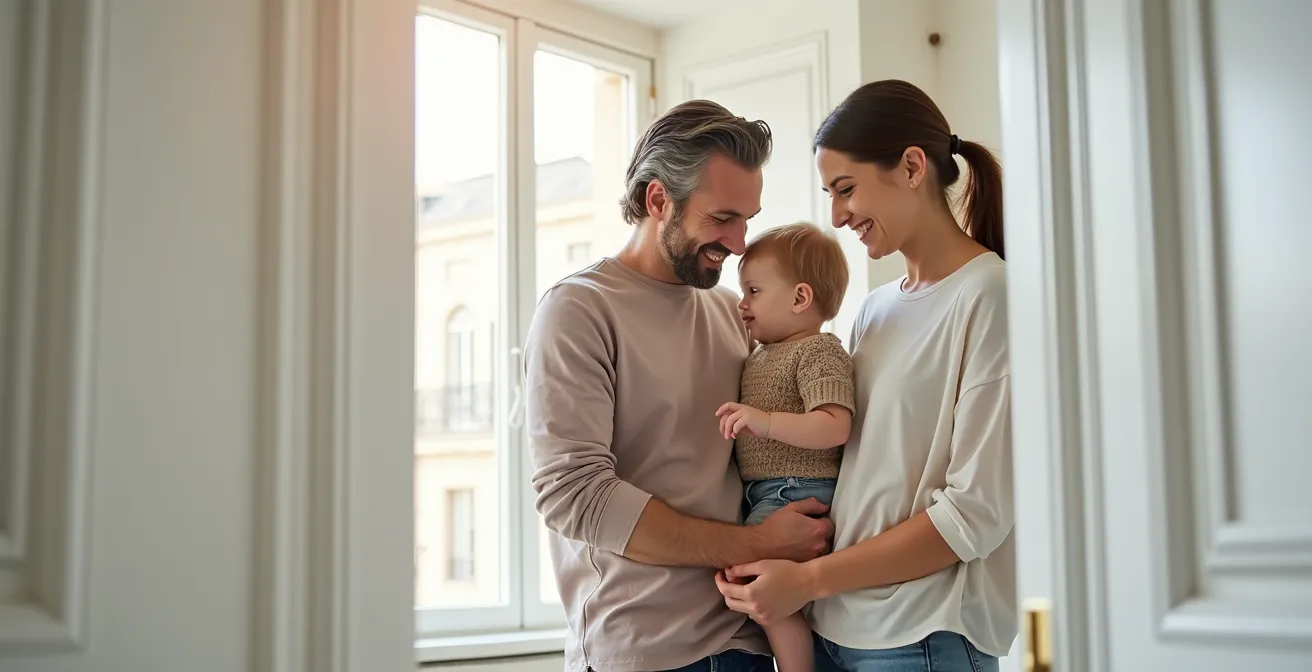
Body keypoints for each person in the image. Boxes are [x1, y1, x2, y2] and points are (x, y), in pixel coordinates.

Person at [714, 79, 1016, 672]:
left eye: (846, 189)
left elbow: (975, 514)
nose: (836, 214)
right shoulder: (876, 309)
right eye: (829, 193)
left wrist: (809, 580)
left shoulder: (989, 294)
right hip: (837, 627)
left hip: (923, 635)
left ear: (911, 167)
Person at [525, 100, 834, 672]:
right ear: (658, 199)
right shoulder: (579, 310)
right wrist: (761, 544)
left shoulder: (734, 316)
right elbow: (576, 496)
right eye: (722, 218)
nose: (741, 242)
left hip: (746, 643)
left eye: (748, 218)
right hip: (642, 652)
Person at [713, 222, 855, 672]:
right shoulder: (762, 353)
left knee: (759, 586)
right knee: (769, 594)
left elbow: (834, 426)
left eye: (753, 290)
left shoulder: (819, 351)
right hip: (768, 492)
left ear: (799, 298)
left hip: (796, 490)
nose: (742, 304)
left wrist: (766, 423)